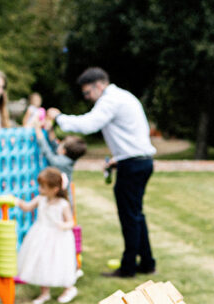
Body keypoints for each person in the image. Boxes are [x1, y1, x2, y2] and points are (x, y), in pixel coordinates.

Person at [46, 67, 156, 278]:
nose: (87, 98)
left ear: (99, 85)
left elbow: (88, 124)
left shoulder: (110, 99)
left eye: (88, 93)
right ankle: (147, 262)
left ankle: (128, 268)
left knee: (129, 216)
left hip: (133, 165)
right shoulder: (122, 96)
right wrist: (118, 159)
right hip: (138, 161)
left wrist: (59, 117)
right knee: (136, 214)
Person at [13, 167, 77, 304]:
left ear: (54, 189)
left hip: (57, 238)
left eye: (43, 186)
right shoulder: (40, 199)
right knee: (41, 261)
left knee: (58, 262)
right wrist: (17, 202)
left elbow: (71, 221)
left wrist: (63, 226)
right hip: (40, 235)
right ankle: (44, 293)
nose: (40, 189)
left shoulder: (63, 204)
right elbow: (27, 207)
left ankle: (69, 288)